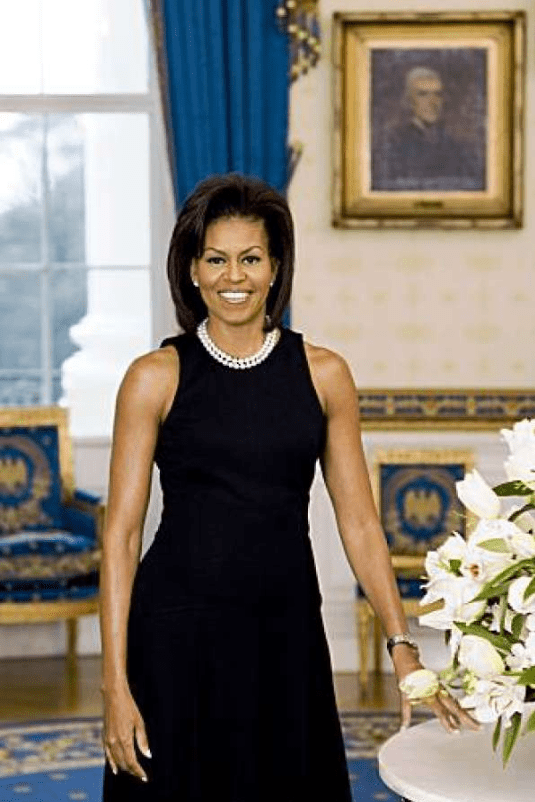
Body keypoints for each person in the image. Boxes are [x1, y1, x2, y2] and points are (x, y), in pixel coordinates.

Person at [99, 173, 479, 801]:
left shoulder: (325, 374)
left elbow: (360, 523)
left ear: (276, 267)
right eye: (216, 259)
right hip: (176, 636)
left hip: (285, 634)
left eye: (251, 259)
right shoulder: (153, 377)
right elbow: (121, 536)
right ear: (192, 270)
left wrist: (402, 646)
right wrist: (115, 683)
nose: (234, 277)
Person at [373, 65, 484, 191]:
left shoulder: (455, 146)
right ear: (409, 100)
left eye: (437, 94)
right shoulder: (393, 143)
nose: (432, 102)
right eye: (423, 94)